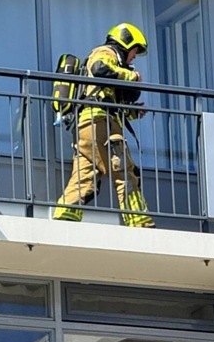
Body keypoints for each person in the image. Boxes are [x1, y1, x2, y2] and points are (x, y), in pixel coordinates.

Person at [53, 23, 155, 228]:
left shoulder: (111, 64)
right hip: (101, 124)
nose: (134, 57)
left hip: (88, 126)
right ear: (126, 43)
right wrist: (131, 76)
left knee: (84, 178)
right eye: (134, 51)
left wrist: (133, 112)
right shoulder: (105, 52)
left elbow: (106, 99)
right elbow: (100, 69)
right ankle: (139, 222)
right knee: (125, 172)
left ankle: (63, 221)